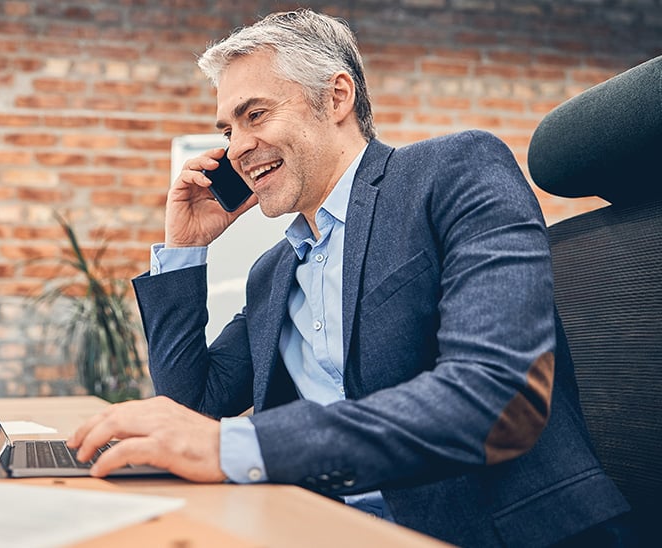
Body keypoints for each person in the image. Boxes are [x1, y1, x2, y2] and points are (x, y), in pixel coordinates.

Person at [67, 9, 630, 546]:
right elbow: (191, 410)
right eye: (227, 128)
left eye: (254, 115)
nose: (236, 148)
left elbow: (496, 397)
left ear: (337, 97)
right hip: (317, 526)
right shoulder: (274, 273)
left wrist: (240, 445)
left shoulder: (451, 172)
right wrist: (185, 249)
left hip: (485, 531)